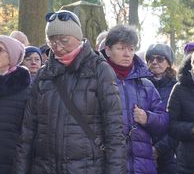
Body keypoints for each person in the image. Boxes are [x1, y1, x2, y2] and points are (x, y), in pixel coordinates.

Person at [14, 10, 126, 174]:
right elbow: (28, 131)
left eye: (64, 40)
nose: (57, 47)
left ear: (78, 37)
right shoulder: (43, 75)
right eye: (51, 41)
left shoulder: (99, 70)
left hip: (88, 168)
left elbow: (114, 131)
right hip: (44, 168)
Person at [102, 24, 169, 174]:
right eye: (121, 48)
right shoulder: (98, 82)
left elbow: (164, 122)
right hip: (109, 164)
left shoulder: (146, 85)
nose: (127, 54)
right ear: (108, 50)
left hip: (143, 166)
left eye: (131, 49)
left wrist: (148, 118)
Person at [0, 35, 31, 174]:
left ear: (11, 56)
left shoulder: (26, 91)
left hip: (10, 163)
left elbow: (28, 135)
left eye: (0, 50)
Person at [145, 43, 178, 174]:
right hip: (143, 151)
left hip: (170, 154)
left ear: (168, 63)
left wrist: (159, 149)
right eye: (150, 59)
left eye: (160, 59)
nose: (154, 62)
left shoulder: (177, 87)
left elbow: (177, 123)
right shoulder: (140, 85)